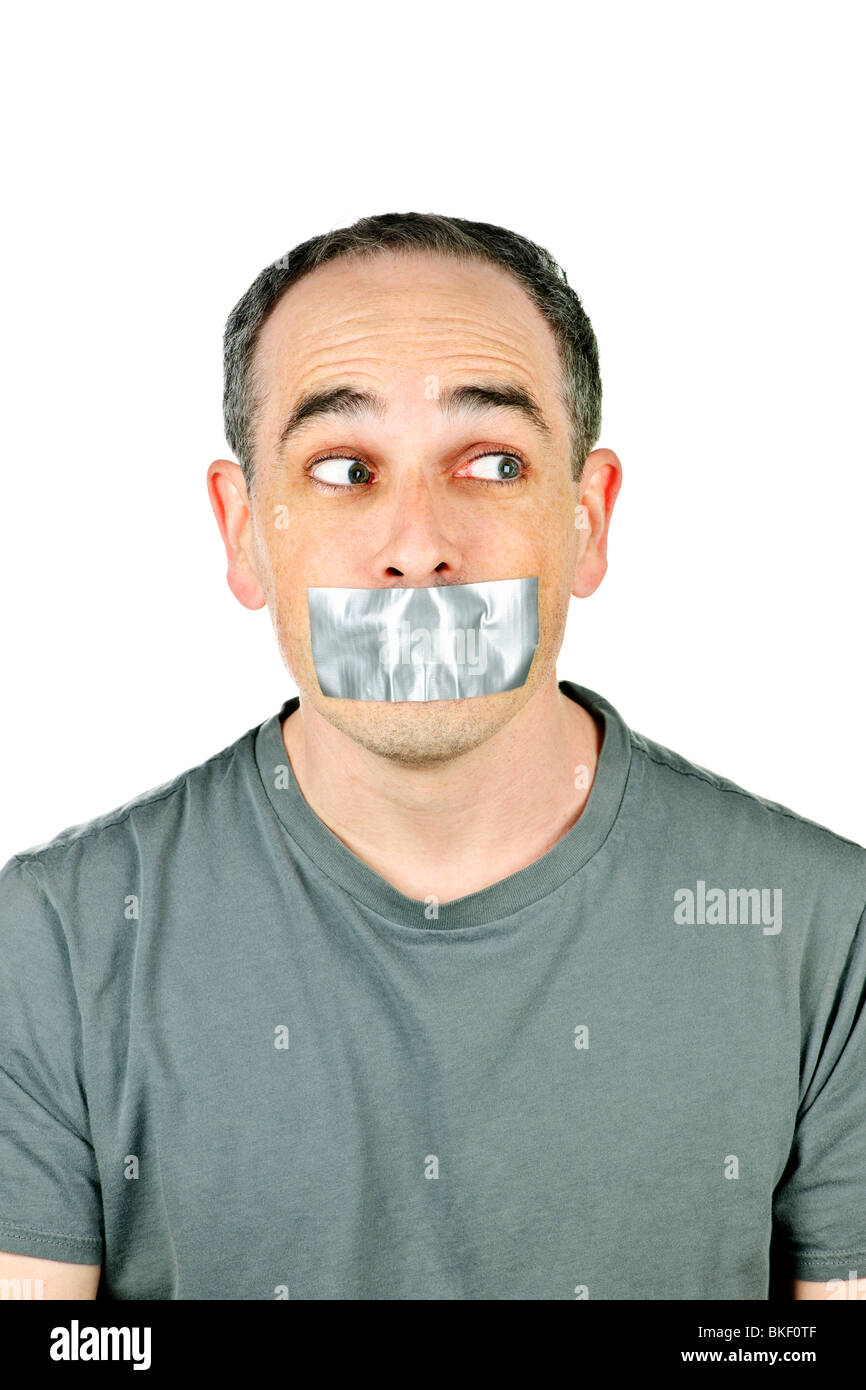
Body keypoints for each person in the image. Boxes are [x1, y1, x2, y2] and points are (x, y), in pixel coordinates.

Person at [1, 212, 864, 1301]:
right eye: (343, 467)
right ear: (243, 534)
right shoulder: (50, 943)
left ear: (586, 520)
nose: (418, 546)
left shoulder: (824, 929)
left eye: (494, 461)